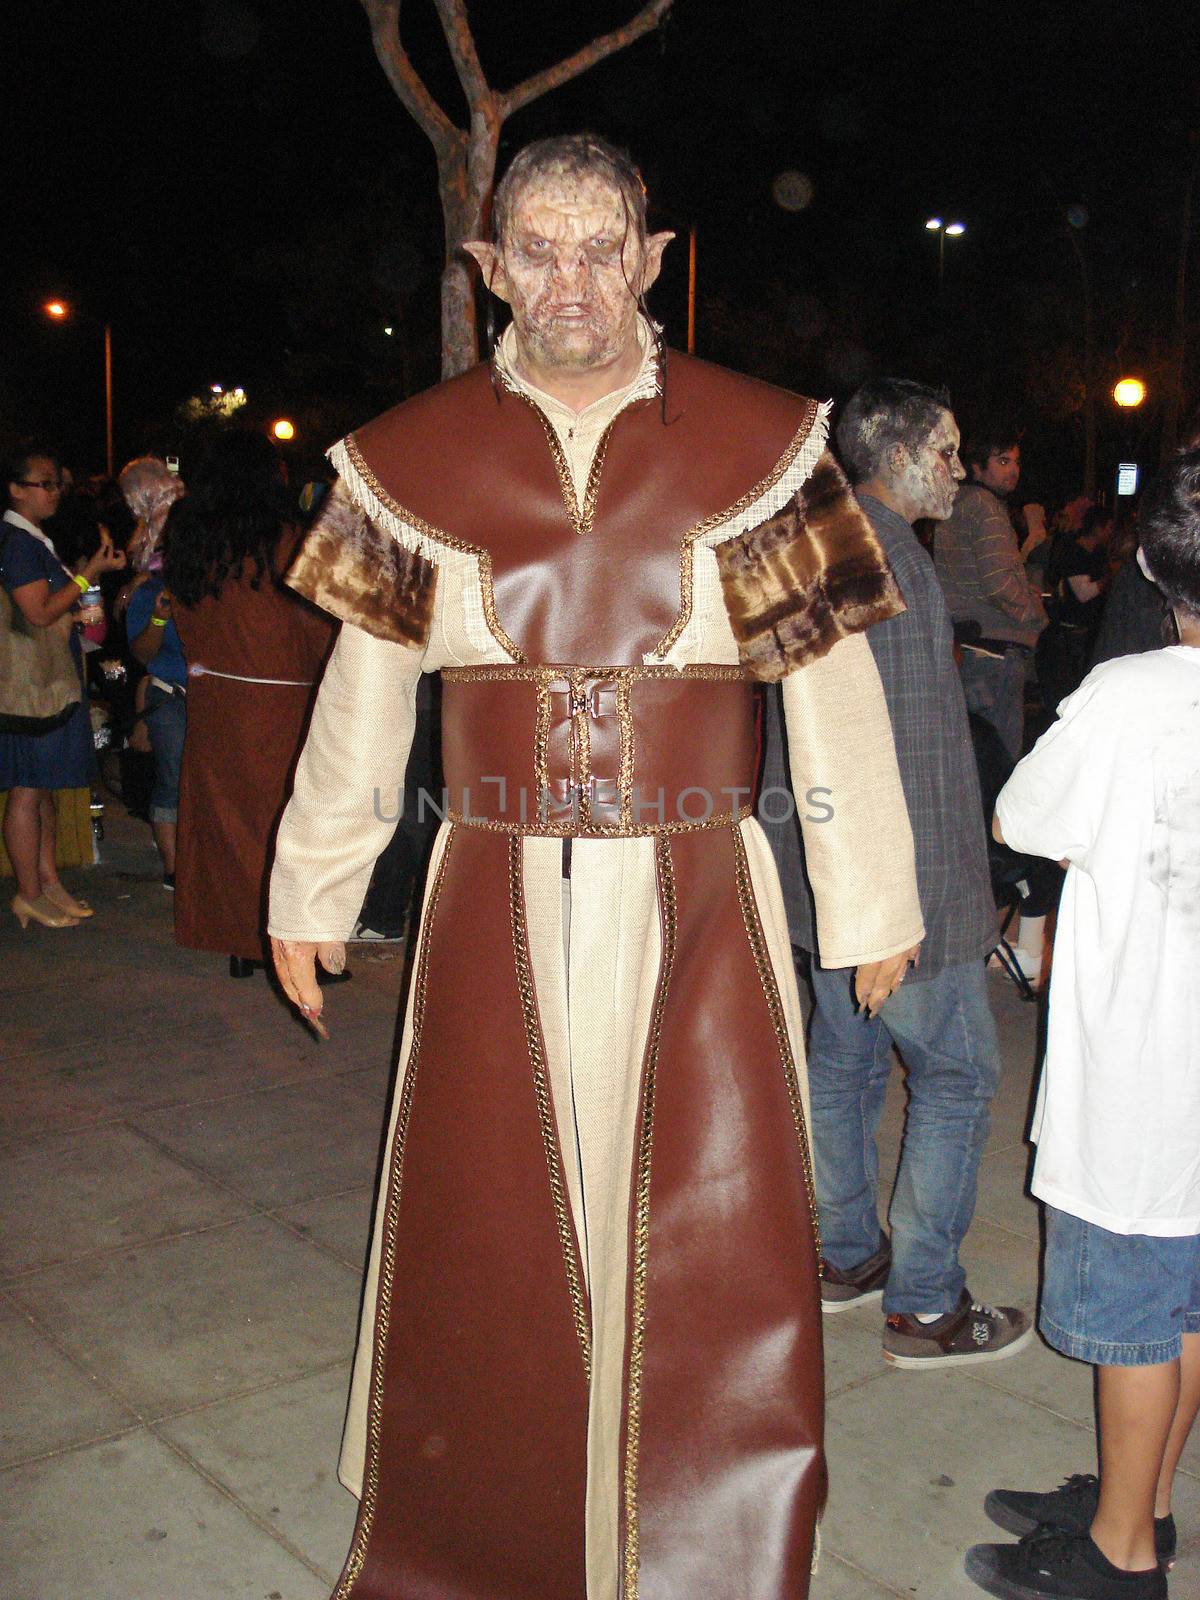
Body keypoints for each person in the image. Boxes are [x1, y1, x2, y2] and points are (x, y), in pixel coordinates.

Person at [267, 134, 925, 1599]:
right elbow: (365, 700)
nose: (570, 276)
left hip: (703, 891)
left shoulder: (768, 450)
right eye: (537, 247)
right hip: (486, 886)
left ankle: (709, 1533)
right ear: (488, 266)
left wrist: (869, 901)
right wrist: (312, 892)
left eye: (599, 244)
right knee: (484, 1224)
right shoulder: (405, 463)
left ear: (648, 258)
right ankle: (488, 1518)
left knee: (711, 1221)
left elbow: (830, 691)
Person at [966, 449, 1200, 1600]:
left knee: (1140, 1323)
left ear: (1151, 561)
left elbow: (1023, 813)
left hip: (1151, 1077)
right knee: (1192, 1299)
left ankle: (1121, 1558)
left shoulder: (1130, 699)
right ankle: (1143, 1497)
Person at [760, 379, 1031, 1365]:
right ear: (900, 454)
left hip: (823, 878)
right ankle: (925, 1302)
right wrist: (923, 908)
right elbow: (906, 754)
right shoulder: (889, 559)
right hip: (896, 892)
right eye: (949, 449)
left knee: (844, 1062)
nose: (960, 468)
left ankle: (846, 1253)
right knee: (957, 1075)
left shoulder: (817, 542)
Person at [163, 430, 335, 975]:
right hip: (283, 703)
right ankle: (288, 944)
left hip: (216, 700)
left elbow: (187, 618)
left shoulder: (190, 541)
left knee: (226, 824)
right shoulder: (287, 542)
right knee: (286, 827)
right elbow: (322, 626)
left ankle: (238, 941)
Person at [1, 443, 125, 927]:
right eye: (43, 483)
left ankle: (48, 883)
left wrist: (81, 598)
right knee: (27, 790)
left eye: (57, 483)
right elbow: (36, 613)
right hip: (31, 691)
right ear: (15, 490)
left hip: (50, 684)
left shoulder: (32, 541)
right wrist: (87, 575)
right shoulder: (17, 544)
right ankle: (29, 891)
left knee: (44, 790)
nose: (54, 492)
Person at [933, 420, 1048, 758]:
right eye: (1002, 462)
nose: (1013, 470)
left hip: (966, 644)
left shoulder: (954, 507)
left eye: (1015, 462)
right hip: (995, 650)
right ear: (977, 467)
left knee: (972, 756)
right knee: (1000, 759)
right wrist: (1035, 615)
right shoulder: (986, 507)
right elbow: (1000, 583)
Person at [1036, 503, 1112, 713]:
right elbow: (1083, 594)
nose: (1110, 533)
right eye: (1107, 527)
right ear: (1097, 527)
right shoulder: (1074, 553)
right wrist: (1109, 579)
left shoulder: (1098, 553)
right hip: (1073, 626)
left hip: (1089, 626)